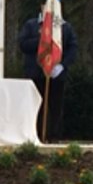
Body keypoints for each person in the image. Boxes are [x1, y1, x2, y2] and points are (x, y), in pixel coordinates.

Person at [18, 14, 77, 143]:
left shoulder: (65, 27)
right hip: (35, 73)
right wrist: (42, 39)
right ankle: (37, 135)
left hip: (56, 73)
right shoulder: (30, 25)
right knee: (36, 106)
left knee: (56, 106)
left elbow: (72, 48)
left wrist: (63, 65)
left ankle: (54, 136)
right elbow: (23, 45)